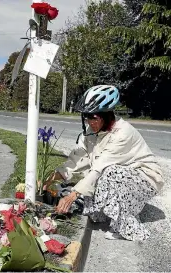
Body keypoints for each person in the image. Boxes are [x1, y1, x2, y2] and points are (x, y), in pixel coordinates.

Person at [47, 85, 164, 241]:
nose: (90, 121)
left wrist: (72, 196)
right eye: (87, 117)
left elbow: (98, 168)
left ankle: (128, 228)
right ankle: (103, 212)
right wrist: (52, 177)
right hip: (122, 174)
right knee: (95, 203)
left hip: (145, 179)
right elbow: (79, 158)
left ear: (107, 115)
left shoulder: (122, 133)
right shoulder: (91, 131)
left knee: (109, 172)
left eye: (94, 117)